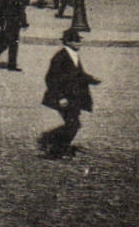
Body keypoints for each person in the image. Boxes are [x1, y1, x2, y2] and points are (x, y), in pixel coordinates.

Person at [39, 27, 99, 158]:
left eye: (79, 40)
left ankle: (52, 141)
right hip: (64, 98)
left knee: (73, 124)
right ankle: (55, 149)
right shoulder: (60, 57)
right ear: (68, 42)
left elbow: (78, 74)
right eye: (76, 41)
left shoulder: (73, 55)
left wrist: (91, 80)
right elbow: (51, 78)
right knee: (73, 124)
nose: (79, 43)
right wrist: (60, 97)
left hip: (73, 97)